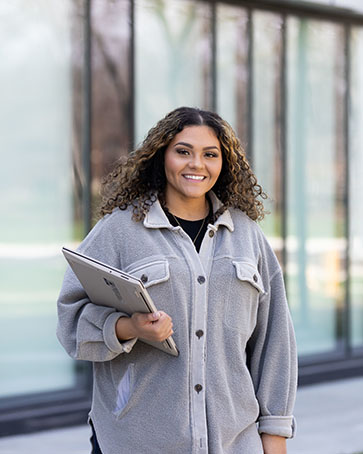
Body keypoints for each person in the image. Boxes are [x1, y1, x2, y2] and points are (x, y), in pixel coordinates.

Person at [57, 106, 297, 454]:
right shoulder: (120, 231)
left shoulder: (247, 235)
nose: (196, 164)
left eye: (210, 154)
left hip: (234, 442)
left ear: (223, 163)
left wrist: (275, 434)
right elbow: (71, 319)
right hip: (137, 442)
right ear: (161, 156)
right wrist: (130, 327)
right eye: (183, 151)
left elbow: (275, 339)